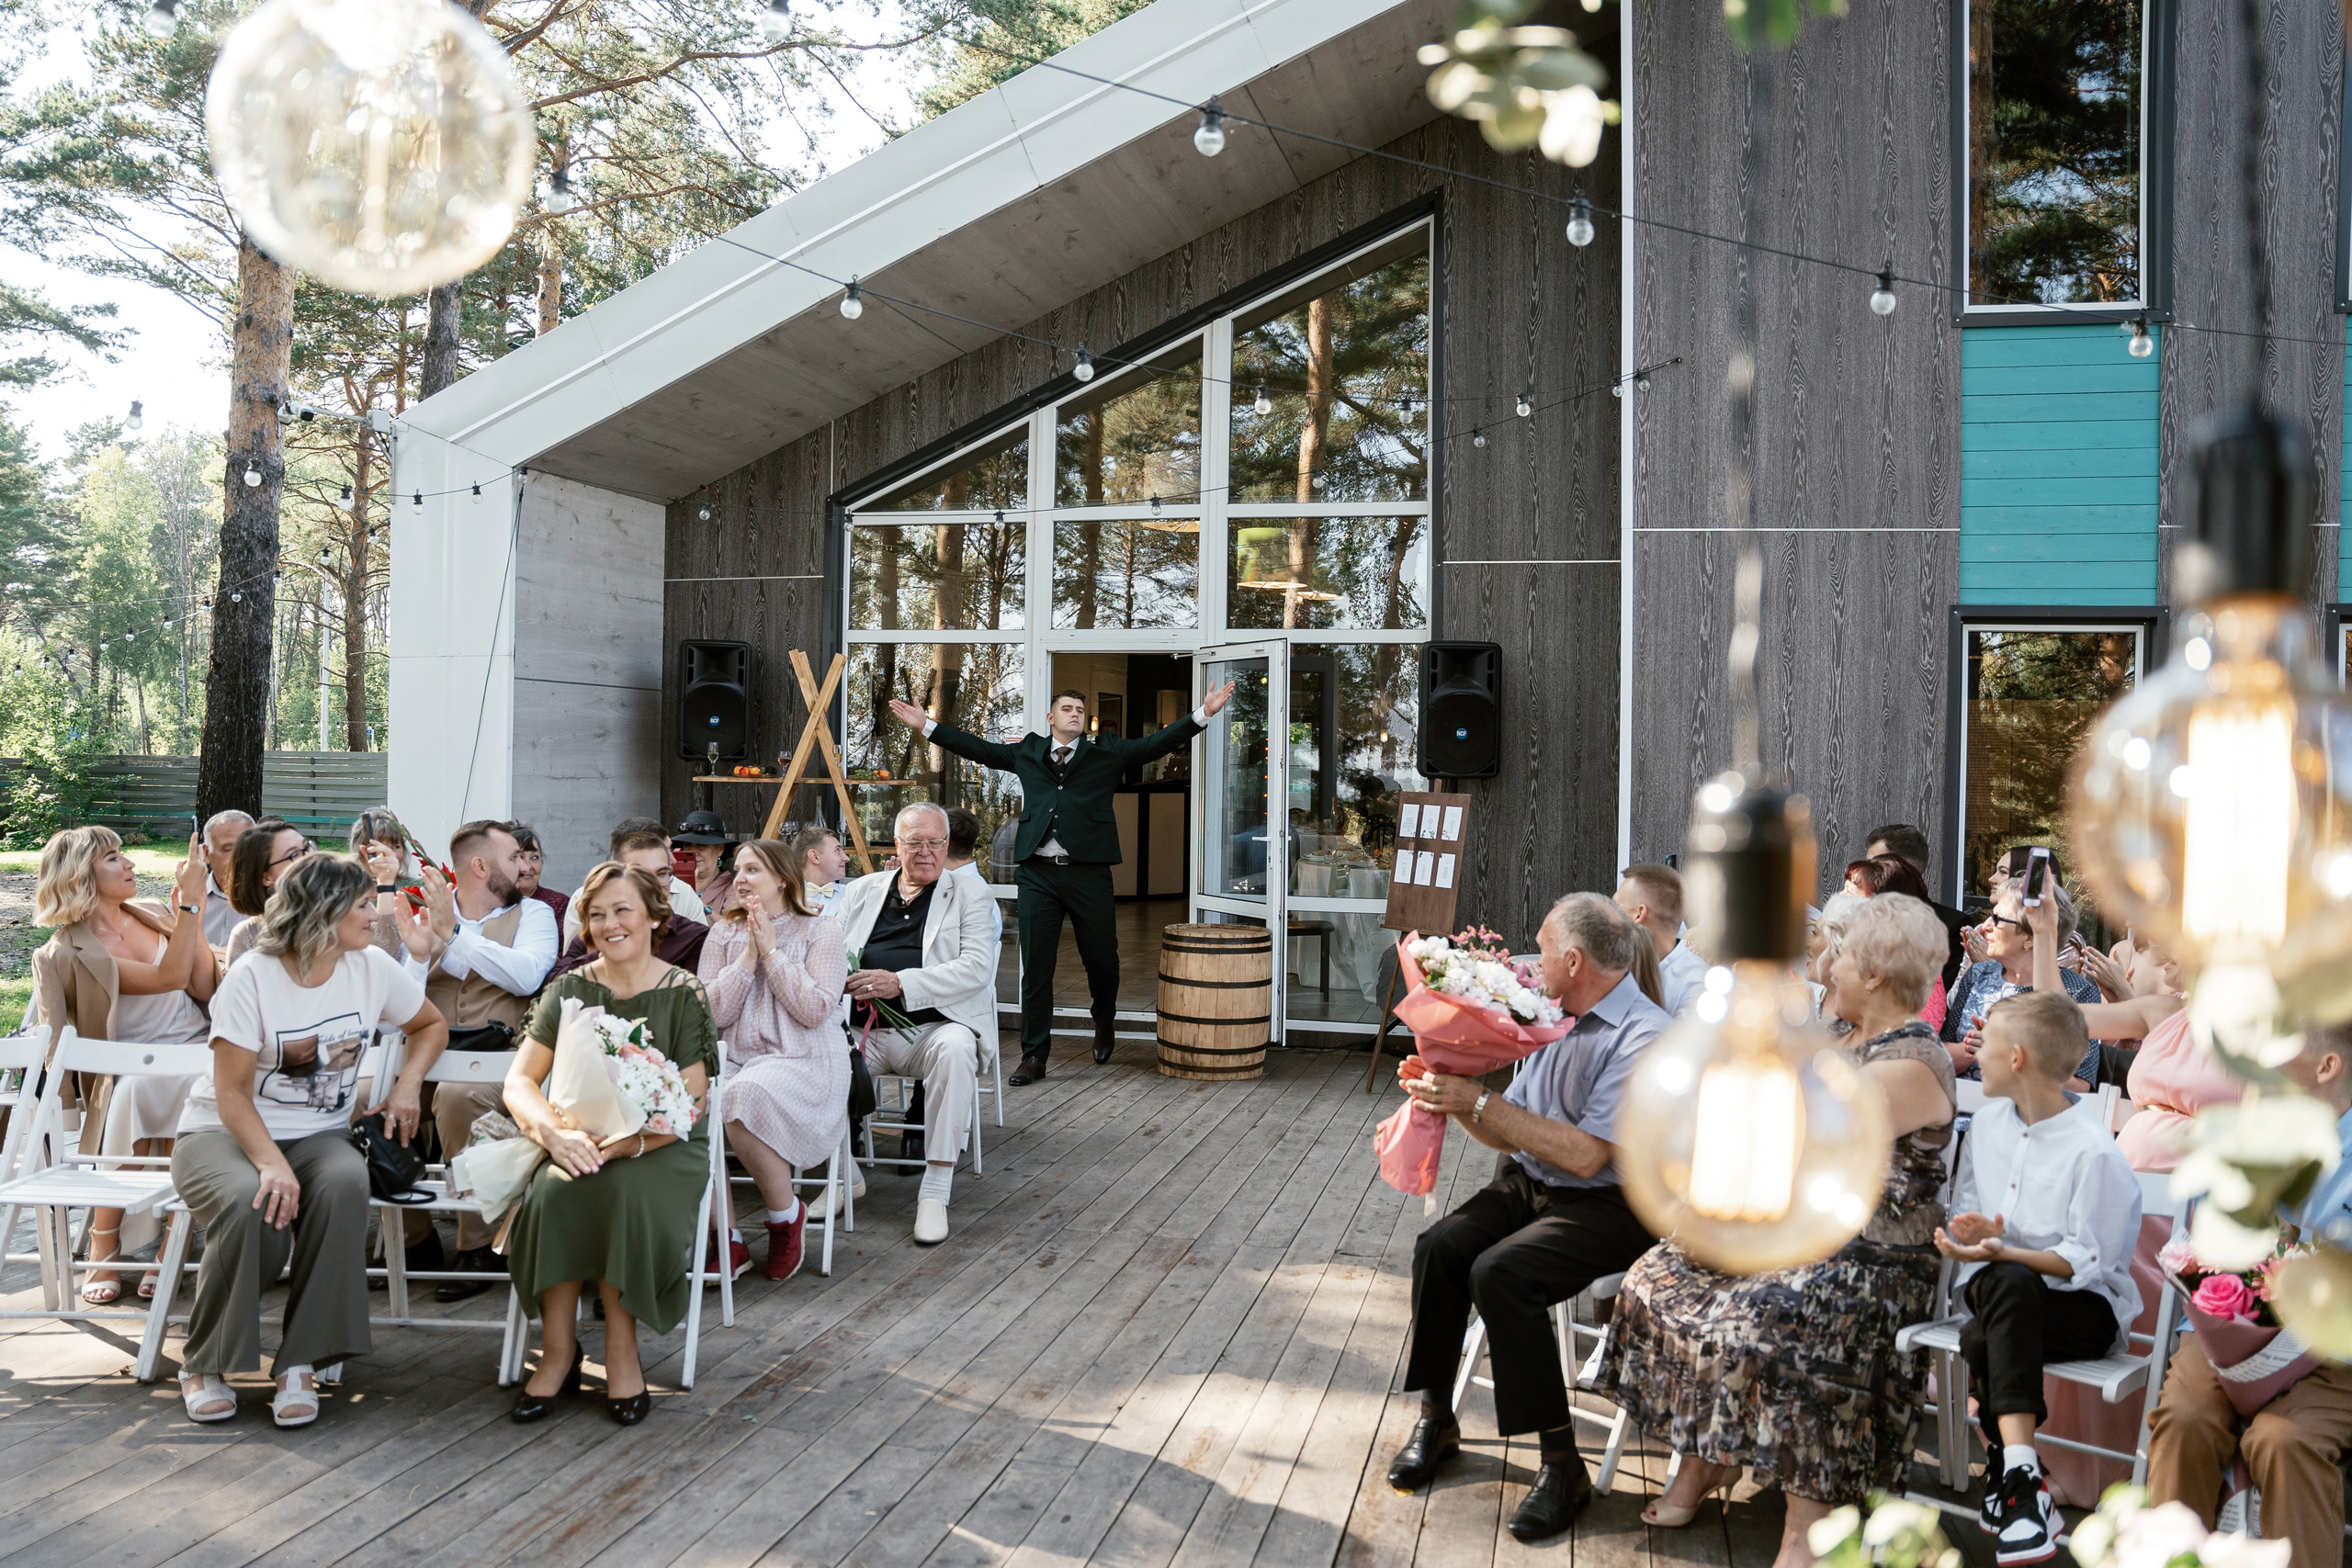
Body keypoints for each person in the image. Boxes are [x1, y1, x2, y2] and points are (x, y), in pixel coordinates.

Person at [1598, 895, 1957, 1568]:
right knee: (1655, 1276)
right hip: (1795, 1235)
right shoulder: (1832, 1033)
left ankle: (1805, 1526)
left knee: (1777, 1316)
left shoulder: (1916, 1058)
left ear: (1875, 975)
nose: (1828, 966)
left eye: (1840, 956)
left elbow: (1809, 1134)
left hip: (1873, 1258)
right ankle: (1707, 1454)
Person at [1385, 893, 1669, 1542]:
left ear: (1574, 960)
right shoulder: (1551, 1014)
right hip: (1535, 1182)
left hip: (1615, 1203)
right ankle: (1437, 1419)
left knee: (1502, 1273)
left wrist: (1478, 1101)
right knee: (1439, 1246)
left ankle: (1563, 1464)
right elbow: (1510, 1132)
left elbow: (1587, 1154)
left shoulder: (1646, 1035)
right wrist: (1450, 1094)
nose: (1532, 962)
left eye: (1542, 949)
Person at [170, 854, 449, 1426]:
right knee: (250, 1197)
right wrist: (272, 1163)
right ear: (324, 911)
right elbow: (231, 1094)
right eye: (364, 905)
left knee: (345, 1181)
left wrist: (407, 1085)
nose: (374, 916)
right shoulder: (253, 976)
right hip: (221, 1132)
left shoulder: (371, 966)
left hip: (319, 1135)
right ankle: (205, 1362)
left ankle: (300, 1361)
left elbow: (429, 1025)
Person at [888, 682, 1235, 1083]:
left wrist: (1203, 714)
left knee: (1102, 961)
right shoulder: (1028, 752)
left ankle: (1104, 1021)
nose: (1075, 714)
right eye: (1067, 709)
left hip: (1088, 873)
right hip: (1037, 873)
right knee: (1036, 967)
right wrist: (926, 725)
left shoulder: (1107, 752)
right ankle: (1034, 1055)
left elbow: (1157, 743)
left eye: (1080, 710)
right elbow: (978, 749)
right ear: (1051, 718)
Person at [500, 861, 717, 1427]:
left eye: (622, 910)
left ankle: (622, 1350)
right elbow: (520, 1083)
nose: (609, 924)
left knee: (624, 1193)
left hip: (661, 1144)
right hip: (576, 1136)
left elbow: (691, 1100)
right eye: (597, 915)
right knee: (554, 1193)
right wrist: (554, 1134)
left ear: (654, 917)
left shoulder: (684, 992)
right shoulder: (569, 989)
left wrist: (629, 1145)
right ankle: (558, 1350)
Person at [1935, 990, 2143, 1567]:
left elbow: (2086, 1262)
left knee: (1987, 1321)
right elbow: (1969, 1209)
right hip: (2004, 1293)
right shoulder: (1987, 1126)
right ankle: (2025, 1482)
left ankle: (2007, 1469)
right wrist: (1972, 1237)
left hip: (2082, 1308)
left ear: (2017, 1057)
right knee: (2003, 1288)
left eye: (1988, 1043)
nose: (1977, 1052)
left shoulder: (2094, 1151)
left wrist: (2007, 1252)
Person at [2146, 1024, 2352, 1568]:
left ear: (2327, 1067)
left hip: (2335, 1355)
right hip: (2228, 1335)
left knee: (2284, 1441)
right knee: (2186, 1419)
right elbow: (2205, 1247)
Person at [30, 825, 219, 1304]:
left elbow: (200, 986)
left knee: (194, 1083)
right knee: (142, 1090)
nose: (130, 863)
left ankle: (173, 1241)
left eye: (124, 853)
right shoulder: (65, 951)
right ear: (80, 876)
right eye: (113, 857)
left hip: (195, 1048)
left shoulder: (152, 911)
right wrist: (190, 906)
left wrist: (189, 914)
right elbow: (168, 976)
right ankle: (106, 1241)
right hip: (131, 1064)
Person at [399, 820, 559, 1300]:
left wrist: (455, 934)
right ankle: (413, 1237)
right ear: (481, 867)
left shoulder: (534, 914)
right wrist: (419, 955)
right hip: (426, 1057)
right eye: (514, 858)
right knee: (368, 1095)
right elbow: (400, 1005)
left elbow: (527, 976)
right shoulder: (425, 913)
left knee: (458, 1096)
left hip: (498, 1063)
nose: (525, 867)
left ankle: (481, 1243)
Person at [835, 802, 999, 1247]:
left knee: (957, 1048)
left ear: (947, 845)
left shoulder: (971, 894)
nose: (926, 852)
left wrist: (900, 983)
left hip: (932, 1031)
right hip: (861, 1032)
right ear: (897, 844)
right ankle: (843, 1175)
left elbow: (976, 968)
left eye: (935, 842)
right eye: (915, 842)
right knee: (811, 1050)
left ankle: (935, 1191)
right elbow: (828, 949)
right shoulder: (862, 890)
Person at [698, 838, 847, 1281]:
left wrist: (773, 953)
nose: (740, 879)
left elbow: (815, 1010)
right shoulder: (722, 933)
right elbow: (711, 1015)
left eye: (753, 870)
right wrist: (748, 956)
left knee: (743, 1094)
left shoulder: (821, 930)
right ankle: (726, 1236)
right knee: (689, 1097)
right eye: (738, 870)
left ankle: (785, 1217)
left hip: (802, 1059)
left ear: (783, 879)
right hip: (733, 1057)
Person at [1943, 882, 2102, 1088]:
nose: (1986, 926)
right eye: (1990, 915)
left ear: (2030, 937)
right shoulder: (1978, 973)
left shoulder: (2078, 992)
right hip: (1963, 1102)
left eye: (1997, 919)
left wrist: (2012, 1054)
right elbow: (1940, 1056)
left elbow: (2080, 1087)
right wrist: (1973, 1049)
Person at [548, 825, 710, 977]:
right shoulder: (597, 932)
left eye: (662, 874)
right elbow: (556, 986)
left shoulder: (694, 938)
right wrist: (597, 958)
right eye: (640, 874)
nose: (654, 885)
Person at [561, 818, 706, 946]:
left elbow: (702, 950)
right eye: (665, 850)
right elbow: (576, 957)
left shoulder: (685, 893)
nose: (673, 860)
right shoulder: (584, 898)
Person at [1865, 822, 1969, 990]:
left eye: (1874, 865)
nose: (1865, 872)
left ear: (1901, 869)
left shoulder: (1950, 926)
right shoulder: (1861, 917)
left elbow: (1941, 993)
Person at [1612, 863, 1706, 1014]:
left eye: (1616, 906)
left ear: (1639, 913)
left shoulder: (1698, 985)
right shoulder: (1613, 966)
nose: (1608, 916)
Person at [221, 818, 311, 969]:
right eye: (294, 855)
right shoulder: (247, 936)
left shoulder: (342, 912)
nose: (309, 857)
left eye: (307, 847)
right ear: (266, 877)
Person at [198, 808, 255, 947]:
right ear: (207, 854)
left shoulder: (275, 899)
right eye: (228, 850)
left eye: (248, 847)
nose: (240, 857)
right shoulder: (188, 900)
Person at [672, 809, 738, 917]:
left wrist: (692, 899)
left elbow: (730, 926)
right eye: (688, 845)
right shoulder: (672, 883)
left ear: (720, 849)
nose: (693, 851)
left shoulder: (734, 888)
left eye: (701, 845)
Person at [505, 820, 569, 931]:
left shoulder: (560, 905)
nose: (527, 867)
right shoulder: (487, 906)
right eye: (518, 857)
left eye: (534, 857)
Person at [792, 823, 851, 918]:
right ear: (815, 856)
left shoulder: (851, 895)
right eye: (837, 850)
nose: (846, 858)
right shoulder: (783, 898)